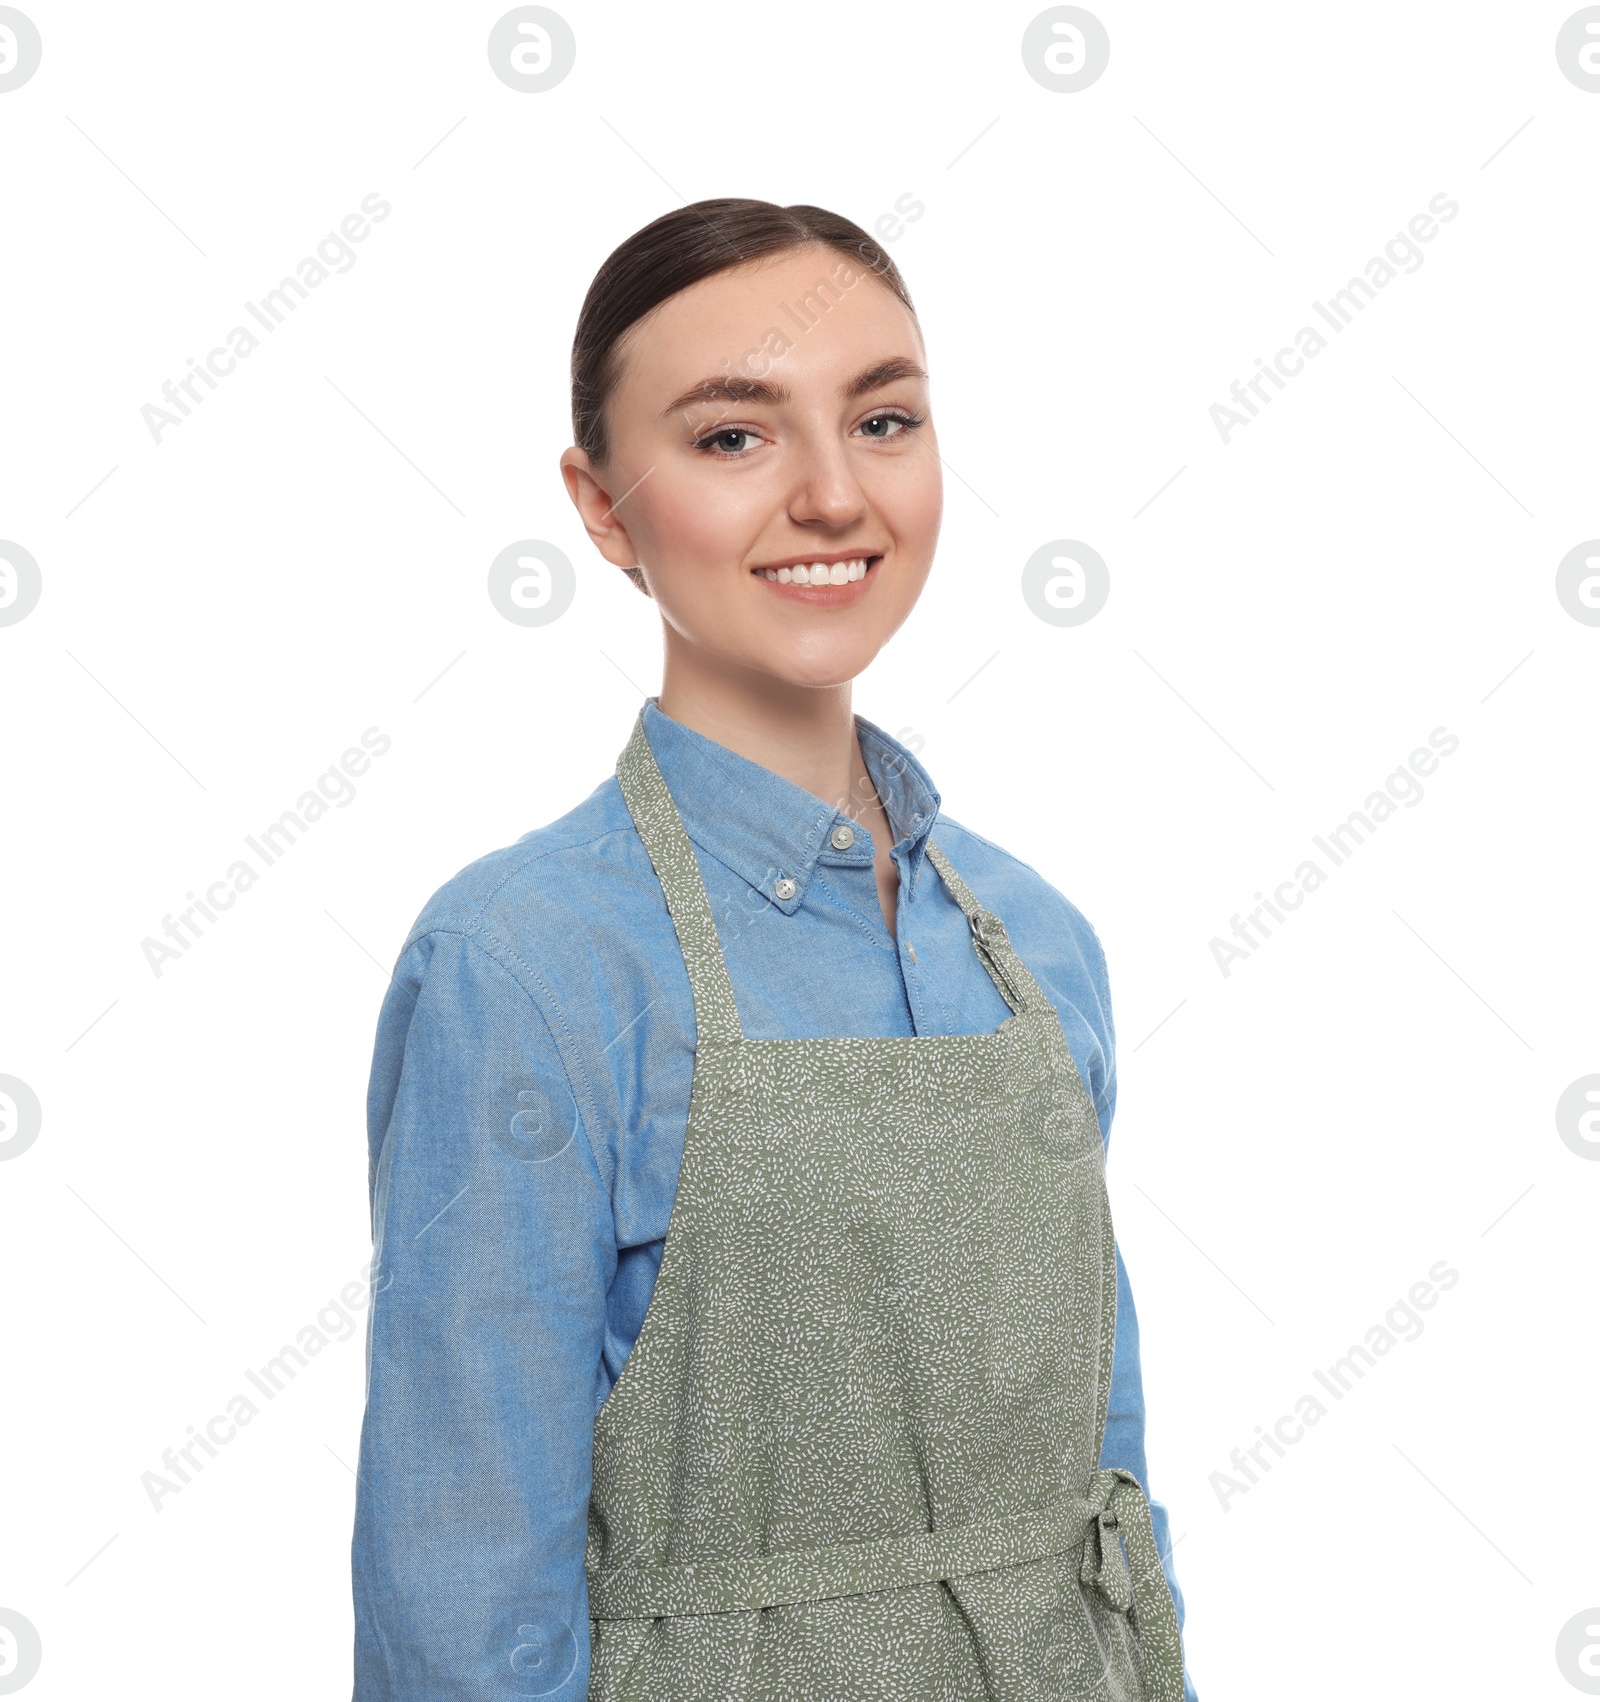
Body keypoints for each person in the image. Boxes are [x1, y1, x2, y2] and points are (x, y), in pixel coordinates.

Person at [351, 198, 1197, 1701]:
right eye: (733, 437)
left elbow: (1106, 1499)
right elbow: (465, 1599)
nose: (830, 495)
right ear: (604, 508)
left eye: (882, 419)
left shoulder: (1034, 942)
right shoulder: (529, 965)